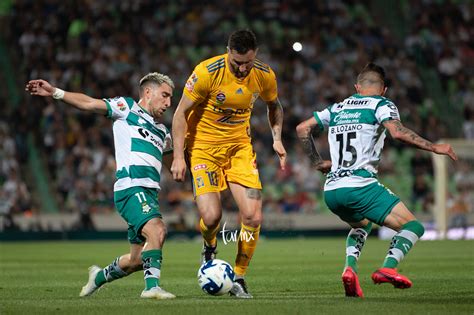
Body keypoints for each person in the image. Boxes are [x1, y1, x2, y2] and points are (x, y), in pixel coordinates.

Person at [296, 63, 457, 298]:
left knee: (361, 225)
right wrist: (434, 146)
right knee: (413, 226)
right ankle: (388, 268)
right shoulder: (381, 104)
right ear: (384, 89)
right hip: (360, 185)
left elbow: (302, 128)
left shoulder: (337, 108)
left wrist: (317, 162)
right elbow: (398, 133)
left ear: (357, 87)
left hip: (332, 190)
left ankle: (349, 269)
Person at [26, 73, 176, 300]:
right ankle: (152, 287)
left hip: (149, 193)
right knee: (157, 229)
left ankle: (98, 277)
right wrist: (56, 92)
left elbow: (173, 162)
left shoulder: (163, 132)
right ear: (148, 92)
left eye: (170, 98)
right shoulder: (127, 108)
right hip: (131, 187)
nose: (168, 103)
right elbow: (89, 103)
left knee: (136, 261)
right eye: (165, 96)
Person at [171, 29, 287, 298]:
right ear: (228, 52)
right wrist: (179, 156)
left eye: (248, 62)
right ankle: (209, 247)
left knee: (253, 216)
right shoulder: (206, 72)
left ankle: (239, 276)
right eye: (237, 63)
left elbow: (275, 106)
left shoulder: (264, 75)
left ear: (255, 54)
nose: (243, 68)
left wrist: (277, 139)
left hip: (240, 151)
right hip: (203, 150)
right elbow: (180, 114)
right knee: (212, 217)